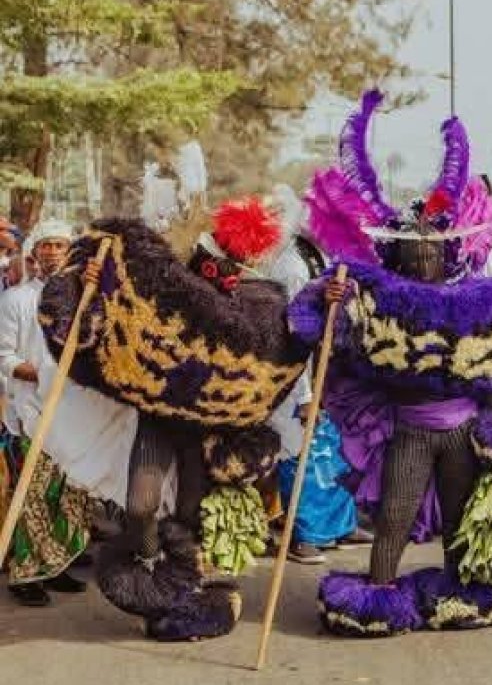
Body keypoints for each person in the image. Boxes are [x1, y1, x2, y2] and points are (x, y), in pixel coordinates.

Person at [292, 91, 492, 636]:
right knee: (393, 516)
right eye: (412, 249)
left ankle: (462, 590)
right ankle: (379, 593)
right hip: (408, 428)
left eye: (431, 248)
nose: (422, 254)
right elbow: (318, 329)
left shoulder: (480, 299)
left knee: (458, 519)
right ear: (396, 256)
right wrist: (330, 299)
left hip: (462, 432)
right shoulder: (375, 299)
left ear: (449, 251)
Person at [38, 198, 315, 640]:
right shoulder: (172, 284)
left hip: (208, 431)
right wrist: (97, 281)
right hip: (156, 418)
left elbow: (279, 357)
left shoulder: (260, 305)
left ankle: (184, 591)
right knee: (141, 505)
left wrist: (325, 308)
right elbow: (121, 310)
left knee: (190, 518)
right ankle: (151, 577)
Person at [266, 184, 372, 565]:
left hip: (328, 373)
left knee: (334, 452)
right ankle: (304, 535)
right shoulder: (292, 266)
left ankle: (340, 525)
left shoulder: (324, 257)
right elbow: (294, 333)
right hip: (297, 377)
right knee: (302, 452)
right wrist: (307, 394)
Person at [0, 219, 90, 607]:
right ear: (34, 253)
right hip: (31, 409)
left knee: (67, 494)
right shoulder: (16, 299)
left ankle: (54, 565)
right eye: (46, 245)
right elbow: (4, 356)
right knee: (33, 495)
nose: (53, 250)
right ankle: (24, 575)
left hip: (72, 414)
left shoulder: (80, 300)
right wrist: (45, 375)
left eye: (60, 244)